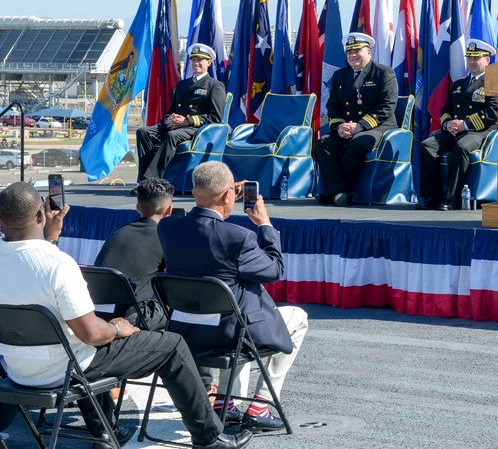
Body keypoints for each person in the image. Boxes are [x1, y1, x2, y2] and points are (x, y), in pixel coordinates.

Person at [0, 182, 251, 449]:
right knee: (171, 345)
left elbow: (25, 268)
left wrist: (51, 238)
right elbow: (92, 334)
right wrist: (119, 329)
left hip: (18, 370)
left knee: (80, 343)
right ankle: (209, 437)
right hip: (66, 369)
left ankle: (104, 432)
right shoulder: (58, 265)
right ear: (41, 215)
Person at [158, 162, 308, 432]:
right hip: (227, 335)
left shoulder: (168, 229)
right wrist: (265, 225)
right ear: (230, 195)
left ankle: (225, 404)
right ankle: (261, 403)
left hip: (184, 333)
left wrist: (223, 192)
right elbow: (274, 270)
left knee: (232, 308)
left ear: (194, 193)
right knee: (298, 317)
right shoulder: (239, 237)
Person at [315, 33, 398, 206]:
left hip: (378, 127)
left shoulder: (383, 73)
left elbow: (387, 106)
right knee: (323, 143)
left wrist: (360, 126)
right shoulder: (340, 75)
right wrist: (339, 127)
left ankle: (335, 191)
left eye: (357, 51)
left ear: (368, 52)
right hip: (347, 128)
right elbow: (333, 106)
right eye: (349, 52)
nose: (352, 55)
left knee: (357, 143)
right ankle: (339, 190)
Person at [419, 39, 498, 210]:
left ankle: (452, 199)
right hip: (454, 130)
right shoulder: (459, 84)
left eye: (476, 58)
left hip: (480, 131)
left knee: (462, 147)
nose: (471, 62)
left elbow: (493, 112)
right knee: (427, 145)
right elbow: (446, 109)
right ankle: (431, 196)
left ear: (487, 60)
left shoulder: (494, 82)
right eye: (469, 58)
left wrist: (466, 124)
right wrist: (448, 123)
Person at [134, 43, 226, 189]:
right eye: (194, 60)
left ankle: (151, 180)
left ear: (208, 63)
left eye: (200, 60)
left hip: (195, 129)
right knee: (143, 132)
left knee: (172, 136)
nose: (196, 63)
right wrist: (169, 119)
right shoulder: (182, 85)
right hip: (176, 125)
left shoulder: (214, 86)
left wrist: (187, 121)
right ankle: (141, 179)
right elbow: (170, 110)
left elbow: (215, 117)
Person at [93, 177, 174, 330]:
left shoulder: (118, 232)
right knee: (177, 310)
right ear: (169, 210)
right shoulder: (164, 237)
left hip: (96, 316)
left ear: (138, 208)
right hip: (129, 318)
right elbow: (177, 277)